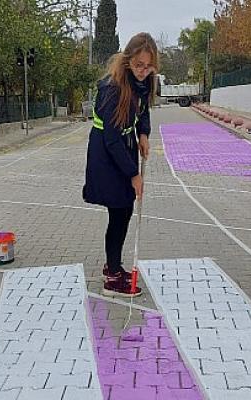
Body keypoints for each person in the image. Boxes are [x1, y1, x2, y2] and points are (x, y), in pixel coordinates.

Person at [83, 33, 158, 297]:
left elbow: (143, 111)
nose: (143, 71)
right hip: (107, 155)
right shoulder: (112, 89)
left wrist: (144, 134)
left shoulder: (144, 82)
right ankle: (112, 279)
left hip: (123, 148)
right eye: (139, 65)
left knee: (123, 211)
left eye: (148, 66)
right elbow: (112, 139)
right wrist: (134, 174)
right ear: (128, 61)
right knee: (119, 212)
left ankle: (112, 266)